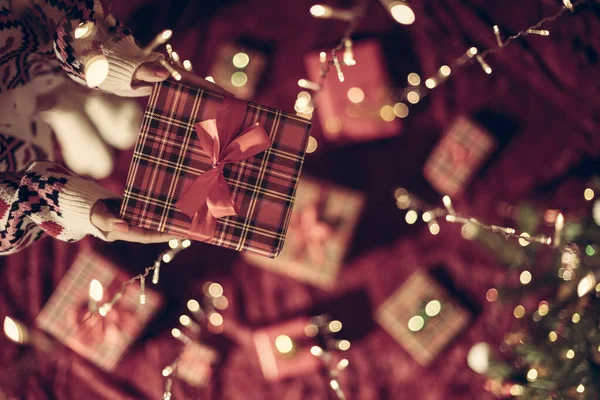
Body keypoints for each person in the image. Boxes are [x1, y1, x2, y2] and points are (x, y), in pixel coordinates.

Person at [0, 0, 181, 254]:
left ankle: (83, 89)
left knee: (124, 131)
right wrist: (71, 207)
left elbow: (57, 7)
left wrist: (100, 59)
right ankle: (62, 106)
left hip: (39, 51)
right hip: (23, 122)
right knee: (103, 155)